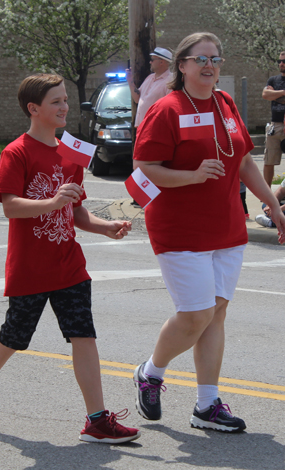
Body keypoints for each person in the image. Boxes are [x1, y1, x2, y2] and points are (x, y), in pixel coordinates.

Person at [0, 73, 140, 444]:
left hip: (68, 264)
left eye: (64, 100)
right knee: (14, 336)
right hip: (31, 267)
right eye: (56, 101)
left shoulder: (71, 152)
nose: (64, 107)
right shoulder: (17, 151)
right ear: (34, 109)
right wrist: (51, 201)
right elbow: (10, 207)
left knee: (83, 335)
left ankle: (96, 420)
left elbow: (76, 212)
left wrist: (106, 226)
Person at [131, 32, 285, 433]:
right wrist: (192, 175)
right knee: (196, 313)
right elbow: (146, 165)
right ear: (182, 66)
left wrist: (271, 202)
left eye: (215, 59)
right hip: (180, 228)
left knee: (216, 313)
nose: (209, 66)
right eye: (200, 59)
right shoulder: (167, 109)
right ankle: (151, 372)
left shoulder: (225, 103)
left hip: (227, 226)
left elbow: (245, 162)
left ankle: (206, 405)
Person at [126, 46, 173, 128]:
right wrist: (130, 81)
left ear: (161, 62)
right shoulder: (150, 77)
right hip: (142, 127)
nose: (150, 62)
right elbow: (137, 99)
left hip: (156, 128)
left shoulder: (171, 80)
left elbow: (170, 107)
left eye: (152, 60)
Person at [262, 51, 285, 187]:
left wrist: (274, 94)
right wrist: (283, 93)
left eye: (284, 61)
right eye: (279, 61)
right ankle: (266, 191)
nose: (281, 64)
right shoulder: (273, 80)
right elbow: (265, 94)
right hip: (275, 126)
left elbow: (271, 95)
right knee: (268, 160)